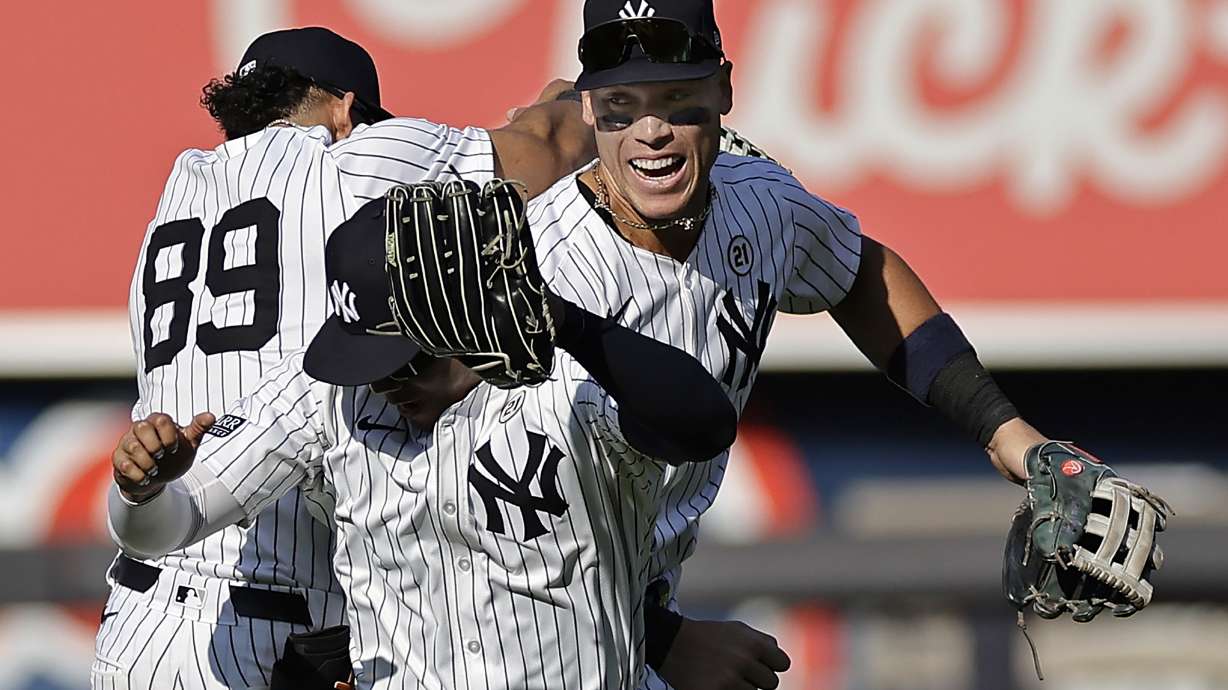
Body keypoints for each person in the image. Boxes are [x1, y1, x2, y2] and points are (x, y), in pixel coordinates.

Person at [518, 1, 1063, 687]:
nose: (650, 131)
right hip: (509, 638)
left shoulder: (759, 202)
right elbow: (492, 531)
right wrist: (664, 640)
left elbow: (858, 271)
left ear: (724, 91)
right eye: (623, 106)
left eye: (677, 99)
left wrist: (1001, 428)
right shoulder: (547, 275)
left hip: (622, 617)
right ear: (591, 110)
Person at [96, 26, 593, 690]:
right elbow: (554, 146)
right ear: (344, 107)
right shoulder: (355, 157)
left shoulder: (175, 196)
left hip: (137, 618)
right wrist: (588, 90)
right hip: (272, 629)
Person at [107, 195, 738, 690]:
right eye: (369, 362)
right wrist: (141, 490)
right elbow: (170, 525)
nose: (385, 383)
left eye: (405, 360)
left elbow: (704, 426)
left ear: (465, 312)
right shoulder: (331, 396)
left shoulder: (565, 387)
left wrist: (565, 321)